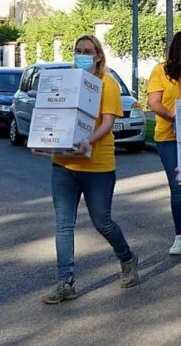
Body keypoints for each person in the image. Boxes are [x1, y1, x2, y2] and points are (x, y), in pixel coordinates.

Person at [41, 34, 138, 305]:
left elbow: (107, 123)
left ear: (98, 55)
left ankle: (127, 258)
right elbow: (53, 116)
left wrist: (87, 141)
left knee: (102, 222)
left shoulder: (107, 84)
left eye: (88, 51)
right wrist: (45, 140)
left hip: (98, 165)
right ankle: (66, 282)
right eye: (78, 50)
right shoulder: (66, 83)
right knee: (63, 225)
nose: (82, 54)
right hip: (64, 164)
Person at [147, 31, 181, 255]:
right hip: (169, 138)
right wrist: (176, 117)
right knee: (179, 185)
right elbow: (154, 103)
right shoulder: (160, 71)